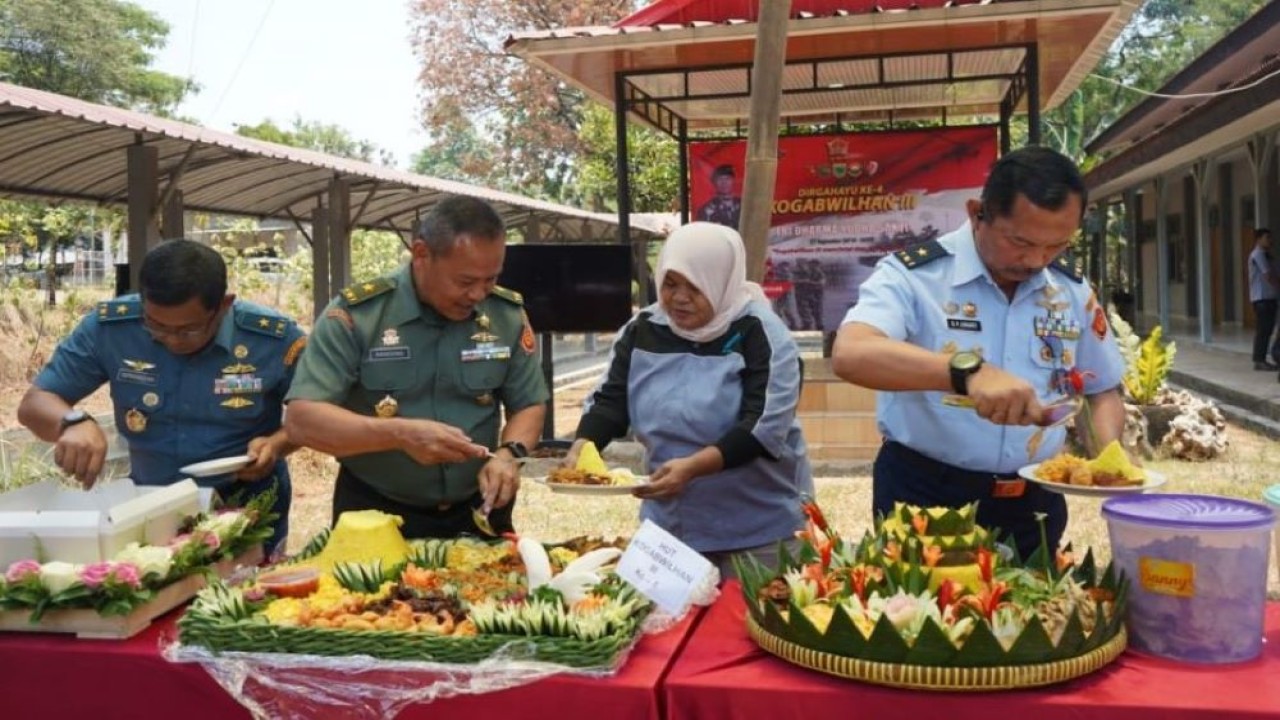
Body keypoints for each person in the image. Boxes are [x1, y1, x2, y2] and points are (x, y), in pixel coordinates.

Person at [833, 146, 1126, 557]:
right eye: (1020, 241)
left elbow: (1103, 390)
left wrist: (1110, 460)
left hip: (1033, 501)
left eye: (1056, 245)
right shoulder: (916, 275)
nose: (1036, 260)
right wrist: (966, 373)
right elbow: (852, 353)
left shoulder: (1070, 290)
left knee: (1033, 614)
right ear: (977, 213)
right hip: (927, 495)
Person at [17, 239, 303, 555]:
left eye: (189, 330)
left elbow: (314, 413)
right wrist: (71, 422)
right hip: (152, 501)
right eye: (156, 326)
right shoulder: (111, 329)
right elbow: (35, 402)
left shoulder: (272, 339)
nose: (172, 340)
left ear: (223, 305)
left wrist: (276, 445)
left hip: (248, 501)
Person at [284, 195, 547, 538]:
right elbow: (302, 420)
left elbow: (529, 403)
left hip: (479, 509)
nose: (479, 294)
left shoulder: (506, 316)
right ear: (421, 254)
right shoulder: (357, 316)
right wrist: (399, 434)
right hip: (375, 512)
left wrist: (509, 454)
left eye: (491, 280)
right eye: (466, 282)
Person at [567, 222, 813, 579]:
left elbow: (762, 427)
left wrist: (693, 467)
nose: (679, 298)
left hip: (761, 531)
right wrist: (585, 442)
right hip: (670, 529)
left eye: (694, 287)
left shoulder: (761, 334)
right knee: (661, 630)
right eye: (670, 283)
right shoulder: (642, 330)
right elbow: (610, 400)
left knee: (754, 628)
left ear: (721, 282)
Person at [1246, 227, 1278, 371]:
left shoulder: (1267, 255)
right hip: (1262, 299)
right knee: (1263, 330)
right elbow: (1268, 275)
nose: (1269, 240)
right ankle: (1259, 360)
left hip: (1269, 298)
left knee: (1268, 329)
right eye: (1267, 238)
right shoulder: (1258, 255)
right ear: (1258, 239)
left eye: (1270, 238)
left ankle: (1262, 359)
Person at [696, 164, 743, 229]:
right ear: (714, 182)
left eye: (727, 178)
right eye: (720, 179)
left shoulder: (743, 205)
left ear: (733, 180)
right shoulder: (706, 210)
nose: (724, 183)